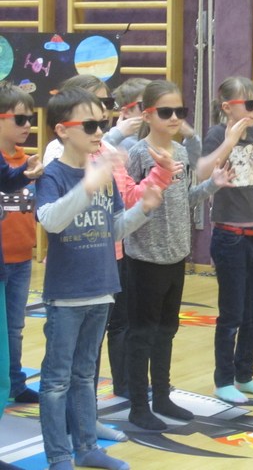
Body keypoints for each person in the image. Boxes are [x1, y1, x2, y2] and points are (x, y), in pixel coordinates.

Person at [36, 88, 160, 470]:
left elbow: (114, 230)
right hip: (66, 296)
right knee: (56, 381)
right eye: (89, 125)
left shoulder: (104, 175)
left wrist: (144, 209)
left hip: (101, 289)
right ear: (62, 130)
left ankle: (87, 447)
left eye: (101, 123)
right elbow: (51, 220)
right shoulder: (53, 174)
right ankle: (59, 455)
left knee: (85, 375)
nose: (99, 132)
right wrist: (87, 186)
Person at [125, 80, 233, 430]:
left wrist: (212, 184)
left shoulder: (182, 153)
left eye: (180, 112)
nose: (174, 118)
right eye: (166, 112)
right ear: (147, 115)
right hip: (144, 259)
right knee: (142, 334)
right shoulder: (138, 154)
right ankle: (138, 405)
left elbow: (185, 199)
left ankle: (162, 396)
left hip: (175, 257)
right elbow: (129, 201)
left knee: (166, 330)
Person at [198, 76, 253, 404]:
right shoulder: (216, 134)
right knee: (231, 313)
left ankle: (244, 375)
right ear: (227, 107)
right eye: (249, 104)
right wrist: (229, 141)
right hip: (230, 236)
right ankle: (223, 380)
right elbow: (203, 172)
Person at [0, 83, 40, 404]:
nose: (27, 125)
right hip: (2, 259)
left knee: (14, 327)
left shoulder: (29, 161)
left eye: (30, 119)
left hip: (22, 258)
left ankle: (15, 382)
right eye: (20, 119)